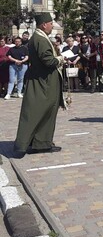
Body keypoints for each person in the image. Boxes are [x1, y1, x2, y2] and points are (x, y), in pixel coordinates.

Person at [14, 13, 65, 156]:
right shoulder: (40, 40)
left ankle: (38, 141)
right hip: (45, 83)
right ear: (44, 25)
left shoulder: (38, 37)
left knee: (39, 112)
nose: (52, 25)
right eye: (50, 23)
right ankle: (40, 143)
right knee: (45, 112)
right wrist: (61, 59)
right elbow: (48, 61)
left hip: (41, 80)